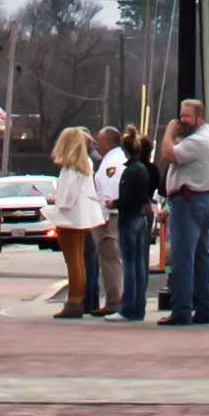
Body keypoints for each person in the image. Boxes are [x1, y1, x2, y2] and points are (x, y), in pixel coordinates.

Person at [158, 98, 209, 325]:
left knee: (183, 258)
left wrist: (169, 132)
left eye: (186, 116)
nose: (181, 120)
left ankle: (181, 310)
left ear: (199, 116)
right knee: (202, 257)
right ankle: (206, 309)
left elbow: (167, 154)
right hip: (206, 199)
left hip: (189, 201)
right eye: (180, 115)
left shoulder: (198, 141)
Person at [49, 126, 103, 319]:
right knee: (78, 260)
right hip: (80, 218)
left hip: (68, 219)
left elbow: (66, 197)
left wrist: (55, 202)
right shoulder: (85, 164)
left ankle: (74, 301)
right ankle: (77, 299)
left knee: (72, 261)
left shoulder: (70, 169)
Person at [82, 125, 124, 318]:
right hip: (109, 214)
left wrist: (104, 217)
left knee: (109, 260)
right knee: (109, 259)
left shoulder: (111, 164)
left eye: (99, 140)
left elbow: (109, 193)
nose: (96, 144)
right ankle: (114, 300)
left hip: (108, 216)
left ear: (108, 142)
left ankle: (113, 301)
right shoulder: (113, 160)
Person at [116, 129, 155, 321]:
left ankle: (128, 308)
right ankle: (139, 307)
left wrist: (114, 203)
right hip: (141, 218)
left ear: (125, 150)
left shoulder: (130, 171)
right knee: (140, 263)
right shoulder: (144, 169)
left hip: (129, 219)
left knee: (129, 264)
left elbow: (126, 200)